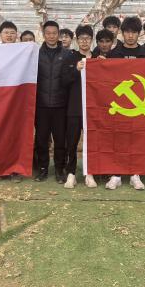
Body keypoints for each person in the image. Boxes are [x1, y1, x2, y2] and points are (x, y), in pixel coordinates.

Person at [107, 16, 145, 190]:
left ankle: (135, 174)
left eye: (134, 32)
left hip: (138, 107)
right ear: (122, 33)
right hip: (119, 105)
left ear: (139, 34)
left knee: (137, 140)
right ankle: (116, 174)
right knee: (118, 139)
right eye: (127, 32)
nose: (130, 36)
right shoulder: (113, 54)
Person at [34, 21, 71, 182]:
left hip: (60, 105)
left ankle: (59, 169)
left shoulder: (67, 54)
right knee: (41, 139)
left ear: (58, 34)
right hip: (41, 104)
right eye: (48, 33)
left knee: (60, 140)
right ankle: (42, 169)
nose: (51, 36)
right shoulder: (36, 54)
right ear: (44, 34)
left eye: (54, 33)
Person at [61, 25, 96, 189]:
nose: (84, 41)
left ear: (91, 40)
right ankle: (71, 173)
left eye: (87, 38)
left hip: (92, 109)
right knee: (72, 142)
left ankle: (90, 173)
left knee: (91, 143)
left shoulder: (97, 58)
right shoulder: (70, 58)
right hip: (74, 108)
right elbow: (64, 81)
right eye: (81, 38)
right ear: (77, 40)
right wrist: (75, 70)